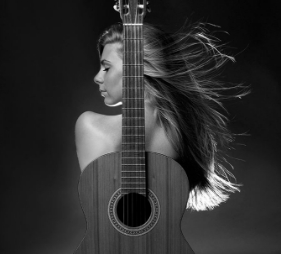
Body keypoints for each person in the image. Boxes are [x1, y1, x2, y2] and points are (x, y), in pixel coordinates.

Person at [75, 21, 246, 211]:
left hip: (104, 242)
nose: (97, 77)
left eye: (106, 67)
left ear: (135, 68)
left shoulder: (89, 126)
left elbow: (100, 211)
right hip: (167, 242)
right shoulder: (184, 133)